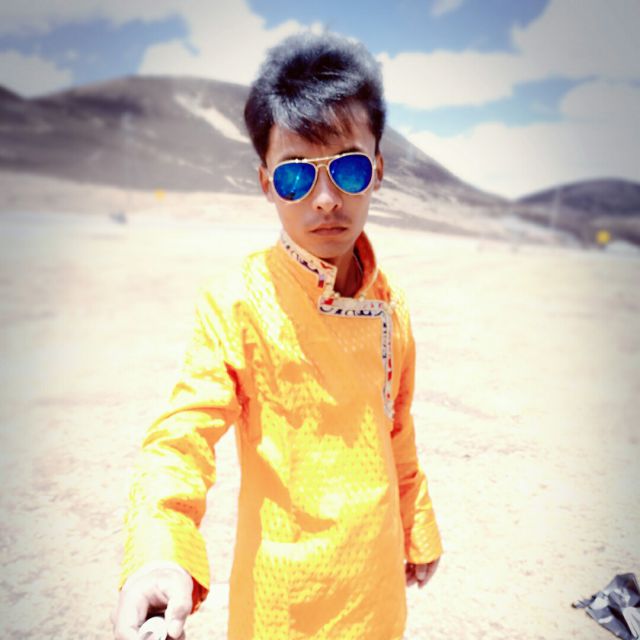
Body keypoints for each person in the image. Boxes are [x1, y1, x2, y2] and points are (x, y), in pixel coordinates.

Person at [112, 31, 443, 640]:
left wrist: (416, 522)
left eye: (348, 168)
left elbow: (396, 426)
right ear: (266, 182)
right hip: (282, 605)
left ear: (377, 170)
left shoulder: (391, 305)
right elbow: (180, 438)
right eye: (296, 177)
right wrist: (160, 554)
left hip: (376, 589)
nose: (326, 199)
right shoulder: (236, 302)